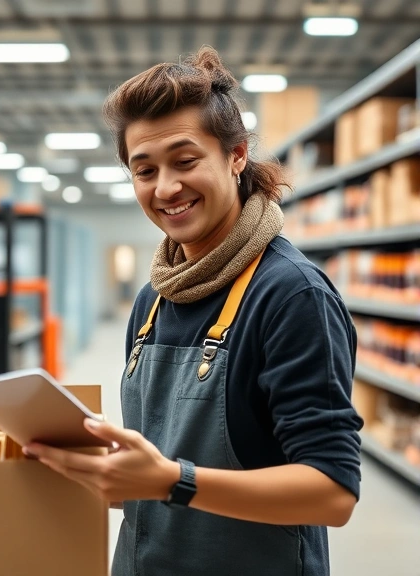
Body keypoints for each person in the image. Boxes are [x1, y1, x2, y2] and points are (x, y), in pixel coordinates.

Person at [24, 47, 363, 575]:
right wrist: (107, 474)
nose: (165, 188)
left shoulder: (290, 295)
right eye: (144, 170)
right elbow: (160, 469)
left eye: (185, 161)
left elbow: (332, 490)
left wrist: (169, 481)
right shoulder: (154, 299)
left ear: (236, 155)